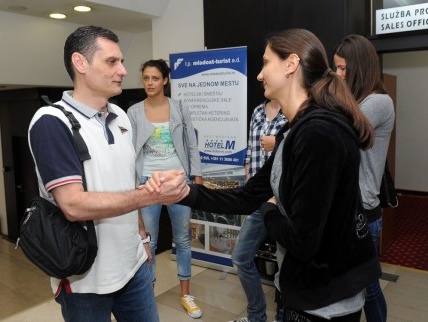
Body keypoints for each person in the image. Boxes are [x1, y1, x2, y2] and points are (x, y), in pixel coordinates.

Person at [144, 28, 382, 322]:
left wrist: (270, 210)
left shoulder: (319, 133)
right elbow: (246, 196)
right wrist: (185, 192)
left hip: (325, 299)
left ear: (291, 64)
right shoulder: (295, 131)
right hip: (304, 289)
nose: (259, 74)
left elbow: (302, 241)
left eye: (266, 62)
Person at [27, 25, 189, 322]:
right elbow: (73, 205)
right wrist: (149, 194)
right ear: (80, 63)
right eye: (112, 62)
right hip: (86, 279)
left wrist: (141, 239)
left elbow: (125, 183)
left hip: (135, 268)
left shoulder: (120, 117)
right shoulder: (51, 122)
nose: (124, 70)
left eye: (121, 61)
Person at [127, 59, 203, 319]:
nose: (149, 83)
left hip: (178, 181)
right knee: (149, 241)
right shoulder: (134, 112)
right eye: (146, 78)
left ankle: (185, 294)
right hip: (147, 182)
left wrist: (197, 177)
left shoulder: (180, 107)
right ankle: (147, 296)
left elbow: (191, 144)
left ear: (165, 80)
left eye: (155, 78)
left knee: (182, 239)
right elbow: (130, 152)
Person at [334, 34, 395, 322]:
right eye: (336, 67)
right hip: (348, 210)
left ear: (360, 67)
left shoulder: (379, 102)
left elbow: (340, 130)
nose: (337, 74)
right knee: (357, 288)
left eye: (343, 68)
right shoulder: (356, 100)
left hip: (364, 212)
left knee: (367, 289)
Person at [230, 99, 287, 322]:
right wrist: (248, 187)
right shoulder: (257, 111)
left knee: (286, 267)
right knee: (241, 257)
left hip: (283, 202)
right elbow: (251, 152)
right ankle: (257, 316)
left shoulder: (293, 113)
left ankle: (283, 317)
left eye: (267, 64)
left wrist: (279, 142)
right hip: (258, 200)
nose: (261, 76)